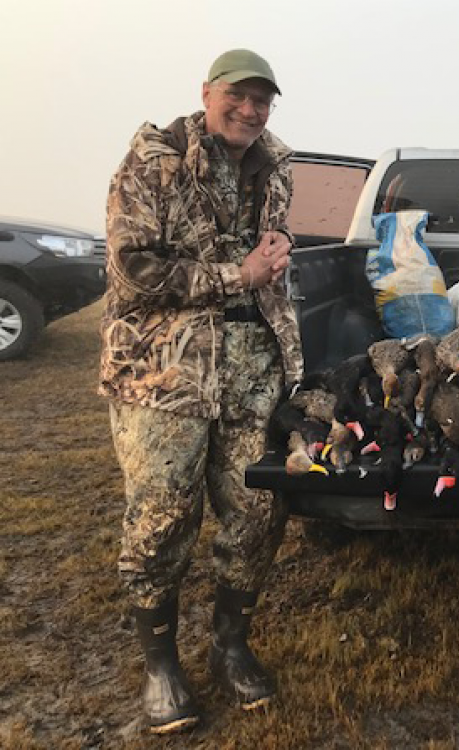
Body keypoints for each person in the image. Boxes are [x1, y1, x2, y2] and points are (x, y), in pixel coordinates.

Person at [100, 49, 302, 734]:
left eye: (262, 101)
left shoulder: (276, 166)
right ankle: (160, 665)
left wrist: (275, 255)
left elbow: (264, 244)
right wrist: (237, 275)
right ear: (207, 93)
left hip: (253, 367)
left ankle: (230, 644)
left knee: (257, 509)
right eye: (237, 98)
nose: (250, 111)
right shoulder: (152, 165)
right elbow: (133, 271)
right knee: (162, 518)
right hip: (165, 373)